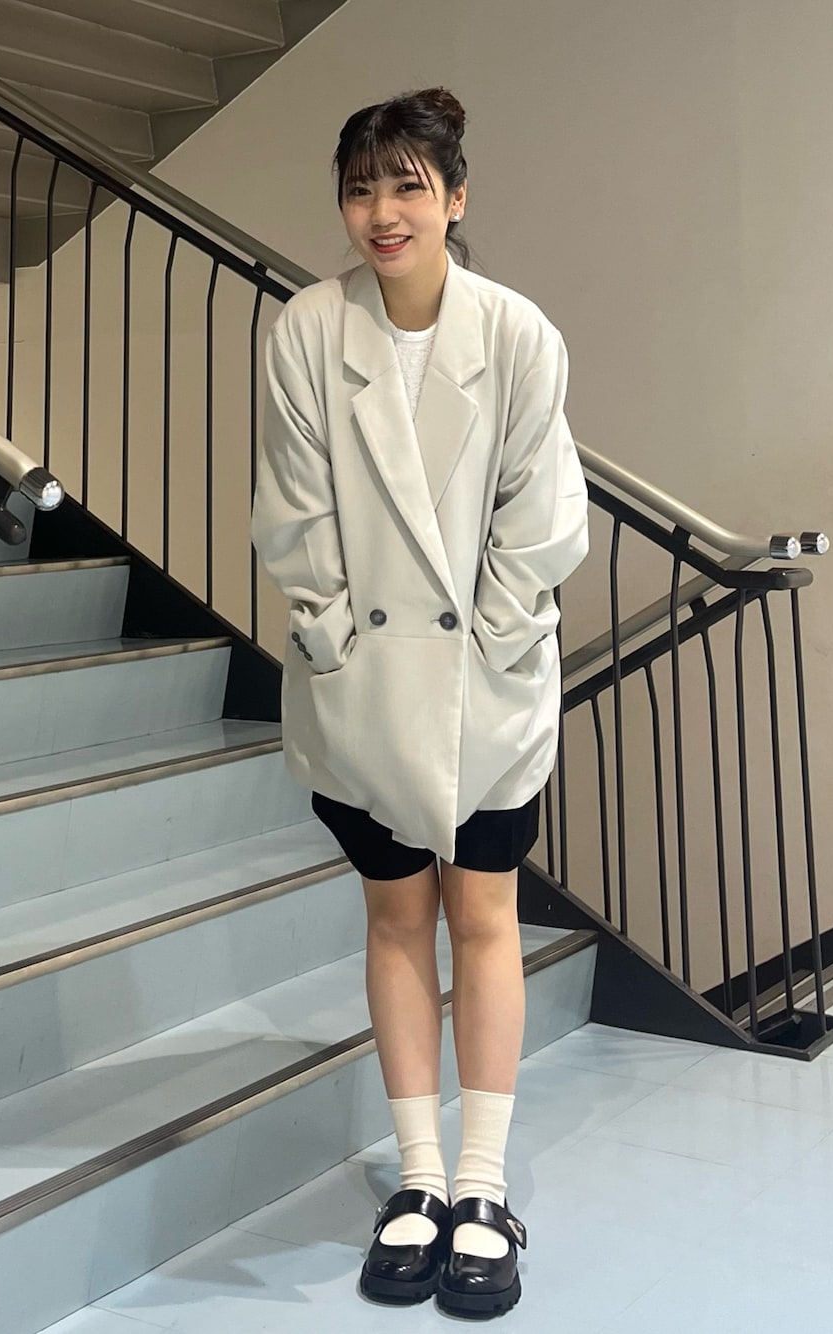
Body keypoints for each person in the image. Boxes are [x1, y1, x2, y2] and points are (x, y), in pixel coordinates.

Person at [251, 86, 589, 1319]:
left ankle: (483, 1186)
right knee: (396, 919)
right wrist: (336, 641)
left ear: (455, 197)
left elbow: (541, 515)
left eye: (407, 186)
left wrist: (490, 641)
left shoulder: (517, 334)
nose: (382, 212)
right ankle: (420, 1175)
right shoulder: (307, 329)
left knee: (484, 917)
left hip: (487, 689)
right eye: (361, 189)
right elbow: (294, 509)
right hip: (360, 688)